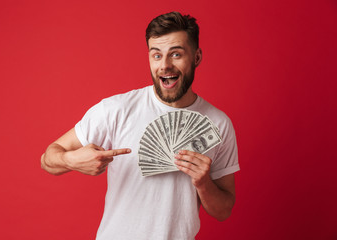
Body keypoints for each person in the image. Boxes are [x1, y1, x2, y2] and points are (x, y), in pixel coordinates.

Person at [41, 11, 239, 240]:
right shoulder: (116, 110)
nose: (165, 65)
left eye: (176, 54)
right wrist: (71, 160)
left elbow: (224, 211)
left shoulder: (218, 124)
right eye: (156, 55)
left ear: (196, 57)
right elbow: (48, 159)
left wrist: (204, 184)